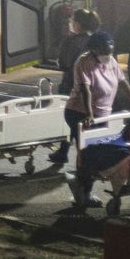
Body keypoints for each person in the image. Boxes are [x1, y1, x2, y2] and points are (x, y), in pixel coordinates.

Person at [66, 31, 130, 208]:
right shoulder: (83, 62)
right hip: (79, 112)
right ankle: (83, 193)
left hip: (103, 114)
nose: (107, 56)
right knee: (88, 153)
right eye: (104, 52)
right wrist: (89, 114)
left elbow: (124, 83)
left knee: (101, 151)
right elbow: (85, 90)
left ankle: (80, 183)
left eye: (110, 52)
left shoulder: (110, 61)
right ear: (94, 49)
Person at [48, 8, 102, 164]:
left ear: (77, 24)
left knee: (71, 120)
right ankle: (63, 151)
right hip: (93, 87)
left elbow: (64, 64)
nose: (70, 24)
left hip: (72, 85)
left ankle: (81, 159)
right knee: (80, 120)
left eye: (72, 21)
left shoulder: (71, 41)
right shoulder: (97, 41)